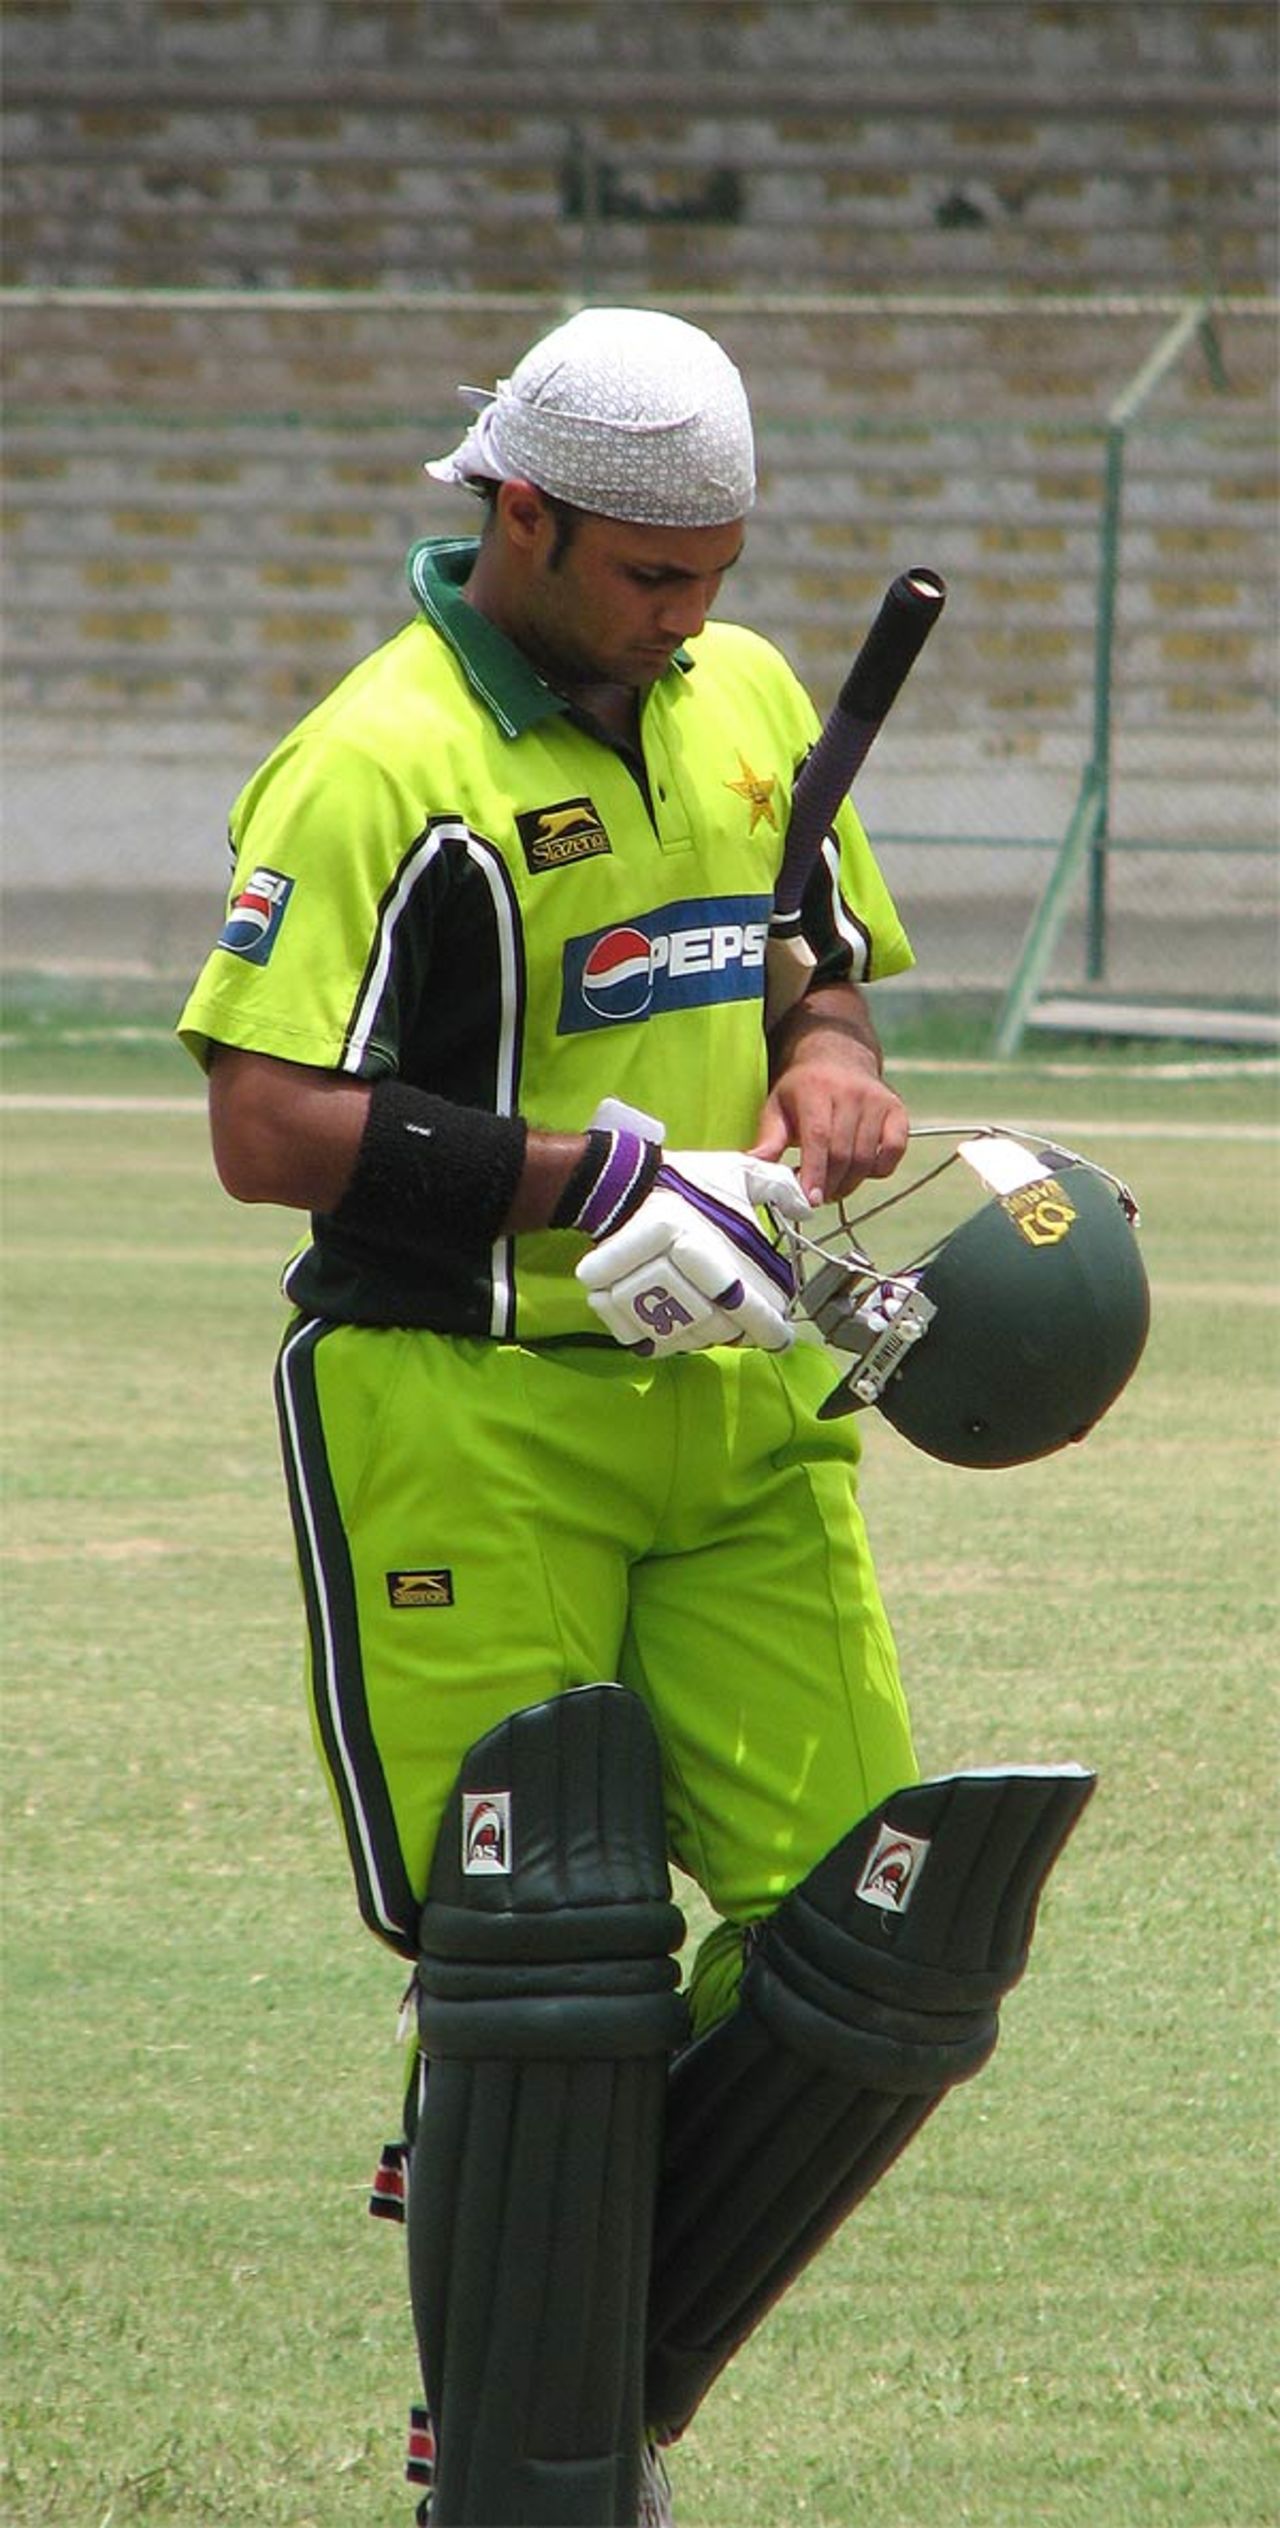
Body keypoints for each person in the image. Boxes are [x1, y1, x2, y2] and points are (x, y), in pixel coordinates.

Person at [179, 307, 1086, 2528]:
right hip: (461, 1407)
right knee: (546, 1957)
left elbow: (806, 952)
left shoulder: (753, 697)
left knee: (889, 1927)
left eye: (717, 572)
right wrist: (587, 1173)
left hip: (742, 1402)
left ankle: (543, 2339)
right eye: (648, 579)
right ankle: (522, 2463)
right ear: (519, 515)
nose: (690, 622)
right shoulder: (375, 761)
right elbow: (266, 1124)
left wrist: (831, 1063)